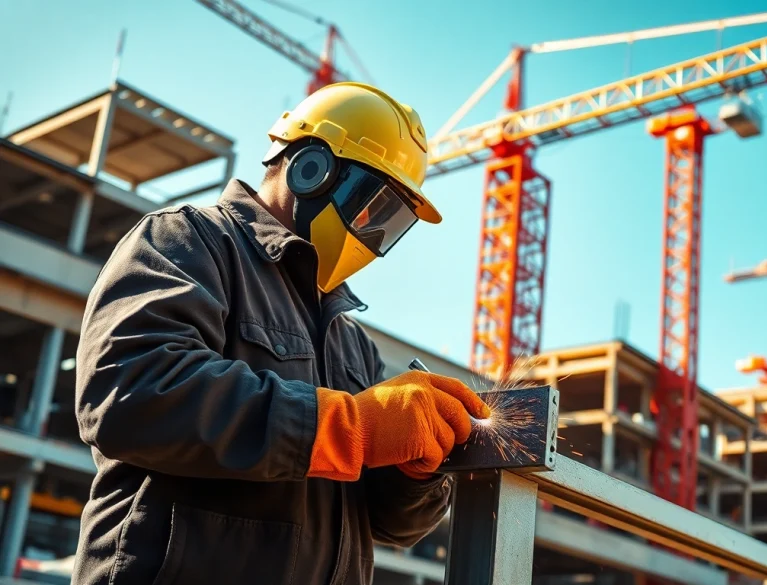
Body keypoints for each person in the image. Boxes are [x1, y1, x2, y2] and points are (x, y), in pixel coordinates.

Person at [71, 82, 490, 585]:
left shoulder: (353, 346)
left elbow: (392, 527)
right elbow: (129, 391)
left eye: (388, 221)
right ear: (310, 168)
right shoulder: (187, 242)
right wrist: (346, 425)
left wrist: (416, 471)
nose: (368, 229)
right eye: (369, 204)